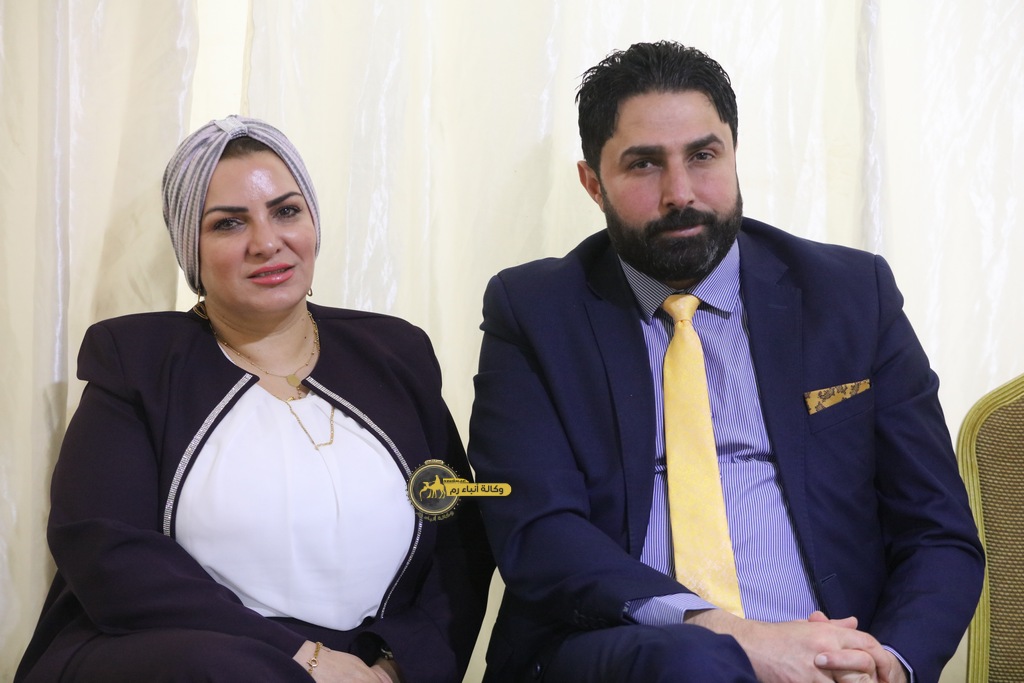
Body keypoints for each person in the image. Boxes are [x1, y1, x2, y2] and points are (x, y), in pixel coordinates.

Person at [467, 42, 983, 683]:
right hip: (624, 649)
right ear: (592, 183)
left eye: (703, 156)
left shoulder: (849, 295)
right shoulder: (535, 312)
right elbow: (538, 530)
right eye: (643, 164)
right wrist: (737, 639)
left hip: (834, 655)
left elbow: (938, 533)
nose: (680, 193)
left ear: (735, 154)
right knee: (694, 663)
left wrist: (885, 667)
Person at [16, 116, 492, 683]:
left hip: (365, 662)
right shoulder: (136, 361)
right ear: (190, 249)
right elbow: (107, 549)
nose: (267, 243)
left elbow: (458, 537)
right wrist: (303, 659)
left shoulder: (395, 353)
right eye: (228, 223)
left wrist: (395, 666)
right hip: (189, 658)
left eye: (286, 211)